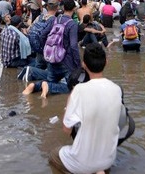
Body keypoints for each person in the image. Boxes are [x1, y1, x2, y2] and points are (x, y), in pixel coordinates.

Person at [49, 43, 122, 174]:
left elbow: (66, 129)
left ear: (84, 64)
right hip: (108, 161)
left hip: (82, 163)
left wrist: (70, 100)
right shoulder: (117, 89)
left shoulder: (79, 90)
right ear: (106, 62)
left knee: (54, 155)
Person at [21, 0, 80, 97]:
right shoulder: (72, 24)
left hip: (52, 58)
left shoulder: (55, 19)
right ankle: (47, 86)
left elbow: (43, 34)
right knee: (73, 89)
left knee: (50, 83)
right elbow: (74, 46)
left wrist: (48, 49)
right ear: (74, 9)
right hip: (66, 61)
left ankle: (36, 86)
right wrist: (77, 64)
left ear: (63, 8)